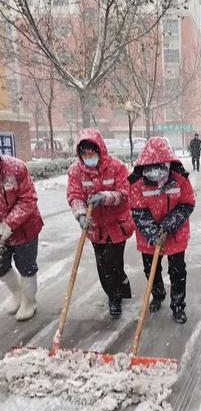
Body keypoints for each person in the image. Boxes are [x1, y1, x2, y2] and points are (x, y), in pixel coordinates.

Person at [67, 128, 134, 317]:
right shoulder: (76, 172)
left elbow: (124, 193)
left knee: (113, 261)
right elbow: (75, 195)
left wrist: (104, 197)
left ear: (100, 150)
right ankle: (114, 295)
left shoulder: (117, 166)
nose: (89, 156)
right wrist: (81, 215)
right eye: (84, 154)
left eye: (92, 152)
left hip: (117, 225)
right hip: (95, 227)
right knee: (102, 264)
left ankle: (117, 293)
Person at [129, 137, 195, 324]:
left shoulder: (179, 178)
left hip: (175, 233)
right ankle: (158, 294)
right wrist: (153, 232)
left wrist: (167, 225)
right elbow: (137, 210)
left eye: (161, 169)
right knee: (151, 270)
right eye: (152, 169)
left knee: (178, 271)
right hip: (148, 236)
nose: (157, 175)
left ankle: (178, 305)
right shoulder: (137, 182)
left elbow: (187, 203)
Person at [0, 154, 43, 321]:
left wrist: (7, 225)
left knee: (26, 266)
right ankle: (17, 293)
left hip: (26, 228)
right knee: (1, 266)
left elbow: (28, 199)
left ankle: (29, 301)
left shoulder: (16, 168)